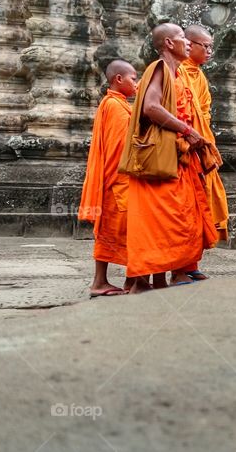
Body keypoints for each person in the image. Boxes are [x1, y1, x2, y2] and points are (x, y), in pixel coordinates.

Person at [122, 23, 218, 293]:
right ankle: (142, 281)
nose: (187, 43)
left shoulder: (177, 74)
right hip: (161, 159)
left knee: (176, 219)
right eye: (181, 39)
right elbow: (151, 107)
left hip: (179, 158)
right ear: (167, 43)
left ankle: (161, 279)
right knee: (158, 220)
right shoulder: (161, 69)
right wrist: (187, 130)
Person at [79, 60, 138, 297]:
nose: (137, 83)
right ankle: (101, 282)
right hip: (119, 179)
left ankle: (127, 280)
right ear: (118, 79)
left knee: (119, 231)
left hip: (118, 179)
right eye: (133, 78)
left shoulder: (118, 104)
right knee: (122, 231)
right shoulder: (114, 106)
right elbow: (118, 148)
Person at [181, 24, 229, 279]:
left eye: (212, 46)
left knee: (201, 205)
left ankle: (191, 265)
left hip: (200, 148)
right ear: (189, 45)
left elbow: (204, 115)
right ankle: (180, 266)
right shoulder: (175, 72)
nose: (210, 51)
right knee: (186, 208)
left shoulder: (199, 76)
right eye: (205, 46)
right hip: (183, 148)